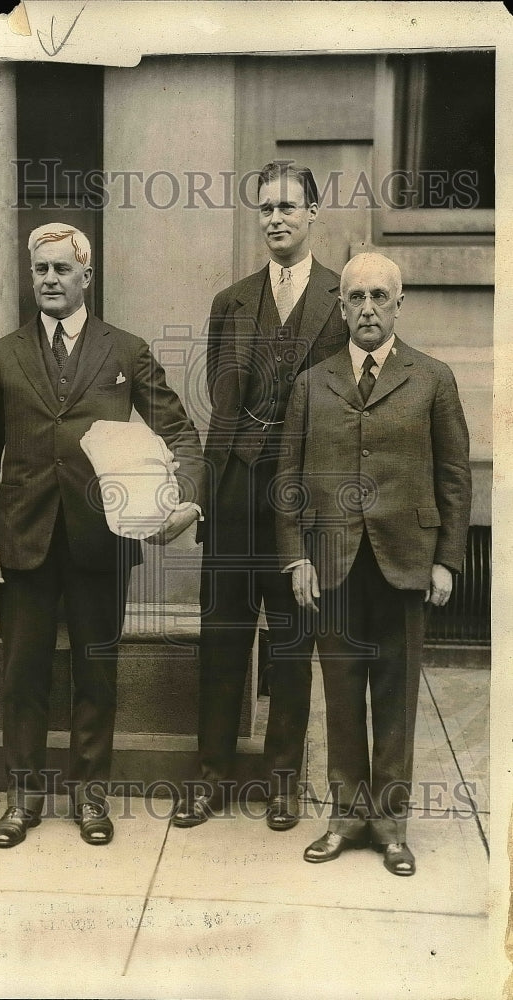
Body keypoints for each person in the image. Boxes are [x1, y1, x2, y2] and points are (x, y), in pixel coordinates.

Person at [0, 223, 205, 848]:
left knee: (96, 674)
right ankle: (23, 799)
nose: (48, 280)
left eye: (60, 270)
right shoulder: (3, 355)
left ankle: (90, 796)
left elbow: (180, 434)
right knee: (24, 675)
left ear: (86, 277)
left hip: (103, 540)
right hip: (23, 540)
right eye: (39, 269)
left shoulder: (124, 350)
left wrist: (188, 498)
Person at [275, 252, 471, 875]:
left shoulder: (433, 378)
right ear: (341, 307)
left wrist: (448, 562)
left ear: (399, 303)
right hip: (332, 563)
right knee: (340, 696)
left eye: (379, 297)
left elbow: (455, 478)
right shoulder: (312, 383)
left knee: (396, 696)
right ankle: (344, 817)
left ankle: (390, 825)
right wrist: (295, 558)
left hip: (406, 561)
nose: (367, 308)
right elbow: (288, 479)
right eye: (355, 297)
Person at [173, 161, 348, 830]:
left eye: (287, 206)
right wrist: (205, 495)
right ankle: (210, 773)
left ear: (311, 214)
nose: (275, 217)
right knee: (220, 639)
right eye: (265, 207)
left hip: (300, 501)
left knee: (291, 644)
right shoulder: (232, 301)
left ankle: (282, 780)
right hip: (233, 493)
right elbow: (223, 406)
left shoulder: (341, 297)